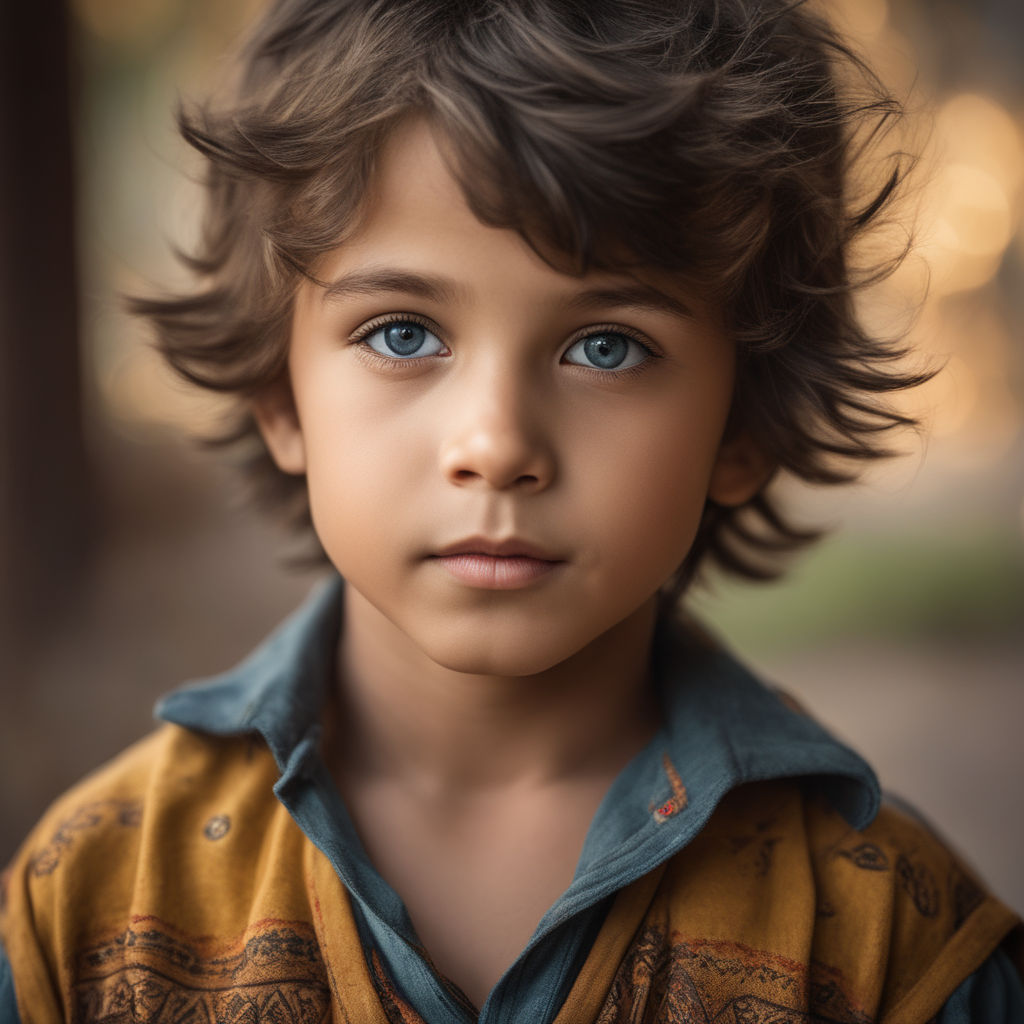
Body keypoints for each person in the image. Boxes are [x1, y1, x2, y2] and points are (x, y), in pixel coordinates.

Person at [2, 0, 1021, 1020]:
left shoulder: (896, 943)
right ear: (281, 396)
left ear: (740, 428)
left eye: (605, 346)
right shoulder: (89, 906)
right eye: (402, 334)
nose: (494, 444)